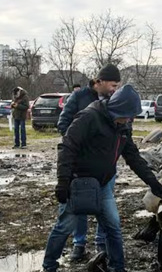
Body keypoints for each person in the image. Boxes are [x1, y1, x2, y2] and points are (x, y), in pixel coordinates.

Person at [42, 84, 162, 272]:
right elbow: (66, 147)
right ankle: (49, 268)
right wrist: (63, 182)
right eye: (127, 116)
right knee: (65, 226)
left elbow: (133, 157)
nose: (129, 120)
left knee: (113, 227)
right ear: (116, 109)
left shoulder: (123, 127)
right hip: (78, 183)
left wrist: (153, 183)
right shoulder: (89, 117)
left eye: (130, 117)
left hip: (103, 184)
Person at [56, 64, 121, 261]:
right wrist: (86, 141)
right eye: (112, 85)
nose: (114, 90)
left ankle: (101, 243)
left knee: (104, 202)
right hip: (82, 164)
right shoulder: (79, 97)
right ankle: (79, 243)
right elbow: (63, 125)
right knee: (80, 204)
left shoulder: (114, 100)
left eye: (117, 86)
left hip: (106, 165)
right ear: (98, 81)